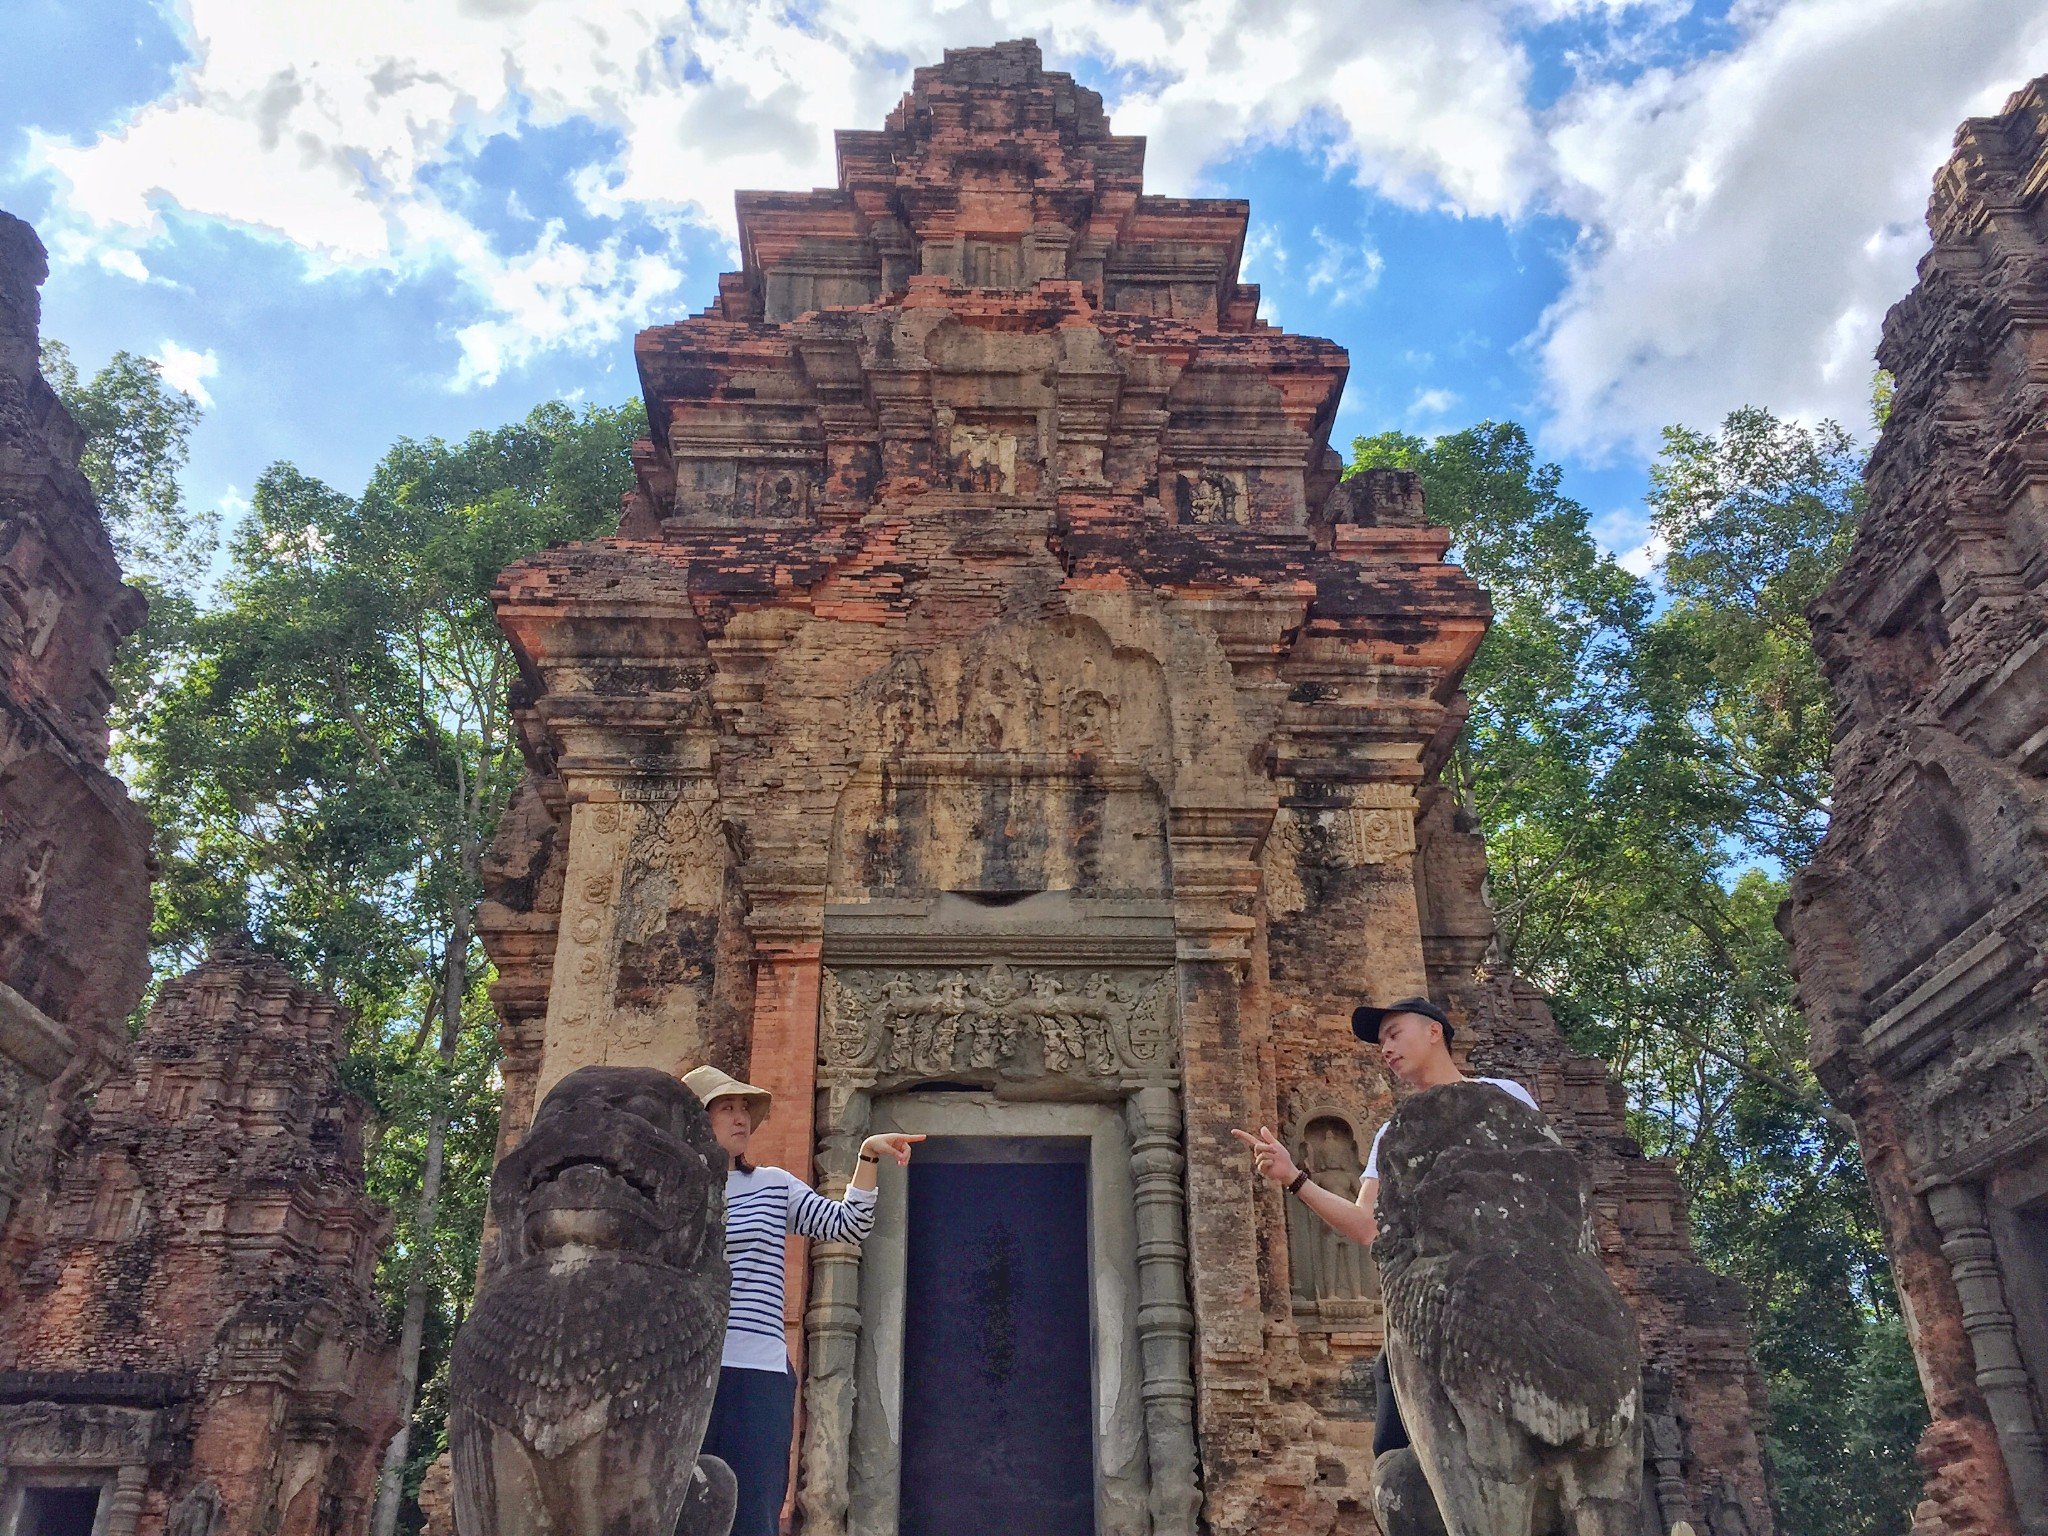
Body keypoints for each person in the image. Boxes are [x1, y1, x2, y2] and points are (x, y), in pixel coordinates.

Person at [1230, 996, 1539, 1455]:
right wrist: (1293, 1177)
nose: (1386, 1049)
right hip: (1433, 1295)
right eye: (1380, 1043)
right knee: (1393, 1433)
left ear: (1435, 1031)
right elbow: (1367, 1227)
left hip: (1514, 1282)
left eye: (1395, 1034)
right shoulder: (1393, 1135)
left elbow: (1545, 1187)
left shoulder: (1503, 1095)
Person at [682, 1064, 924, 1536]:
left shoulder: (773, 1185)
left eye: (744, 1109)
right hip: (685, 1370)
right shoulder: (672, 1193)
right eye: (726, 1107)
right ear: (697, 1121)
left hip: (760, 1371)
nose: (740, 1118)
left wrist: (867, 1158)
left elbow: (848, 1225)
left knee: (753, 1509)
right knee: (675, 1507)